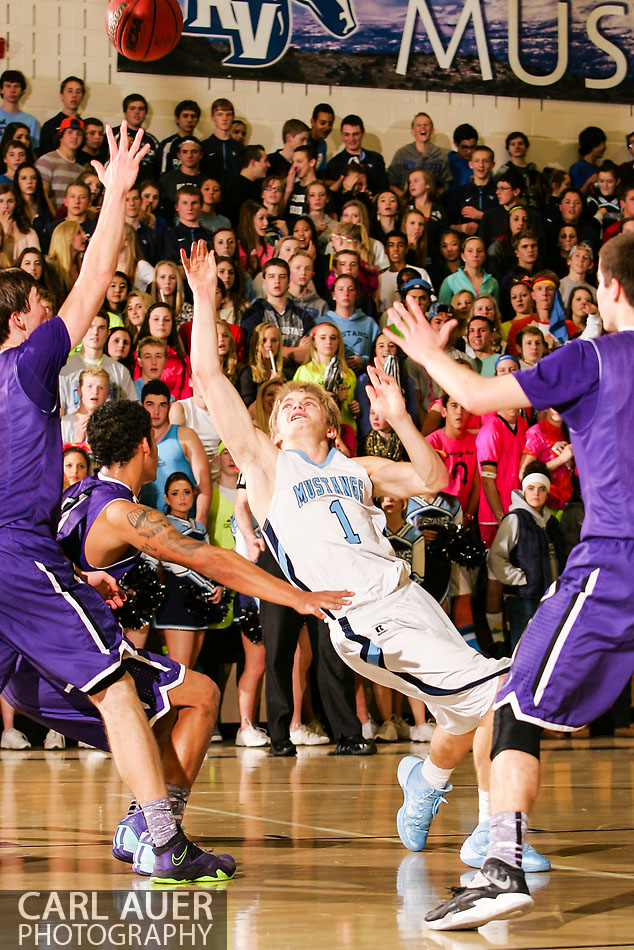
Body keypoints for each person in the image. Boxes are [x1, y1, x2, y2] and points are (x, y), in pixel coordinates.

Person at [182, 240, 550, 864]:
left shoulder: (359, 466)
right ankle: (495, 835)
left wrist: (403, 419)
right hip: (364, 616)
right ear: (272, 429)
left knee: (461, 714)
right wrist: (205, 297)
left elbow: (432, 480)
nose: (293, 404)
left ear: (331, 425)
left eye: (308, 403)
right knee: (500, 690)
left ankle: (426, 781)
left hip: (409, 594)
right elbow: (211, 380)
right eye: (285, 405)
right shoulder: (269, 467)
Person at [0, 123, 233, 883]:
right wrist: (119, 194)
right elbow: (95, 280)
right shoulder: (23, 362)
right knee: (112, 683)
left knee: (142, 688)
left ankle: (147, 824)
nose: (48, 319)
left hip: (22, 565)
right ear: (17, 318)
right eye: (38, 309)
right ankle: (159, 835)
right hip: (15, 552)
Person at [383, 232, 634, 928]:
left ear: (609, 289)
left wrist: (429, 353)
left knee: (515, 699)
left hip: (617, 556)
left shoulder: (591, 357)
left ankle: (502, 866)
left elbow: (476, 392)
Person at [140, 379, 211, 522]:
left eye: (162, 405)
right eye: (150, 404)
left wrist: (200, 525)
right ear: (141, 406)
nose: (156, 411)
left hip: (185, 524)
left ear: (170, 406)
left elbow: (205, 485)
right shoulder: (136, 441)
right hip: (147, 525)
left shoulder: (185, 436)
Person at [387, 112, 450, 196]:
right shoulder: (402, 154)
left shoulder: (441, 155)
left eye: (426, 124)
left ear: (432, 130)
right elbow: (391, 183)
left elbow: (445, 183)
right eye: (418, 125)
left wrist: (434, 197)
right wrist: (404, 198)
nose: (422, 127)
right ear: (412, 131)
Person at [35, 117, 84, 210]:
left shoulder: (81, 170)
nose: (75, 136)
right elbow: (41, 195)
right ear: (61, 136)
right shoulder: (46, 161)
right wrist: (54, 220)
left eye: (79, 134)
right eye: (70, 132)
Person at [39, 76, 85, 157]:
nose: (74, 95)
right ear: (61, 95)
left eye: (78, 92)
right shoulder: (50, 126)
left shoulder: (84, 126)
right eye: (70, 91)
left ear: (83, 96)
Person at [0, 69, 39, 147]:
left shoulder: (31, 120)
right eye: (8, 86)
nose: (12, 90)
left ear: (22, 91)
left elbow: (34, 150)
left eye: (16, 86)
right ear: (1, 90)